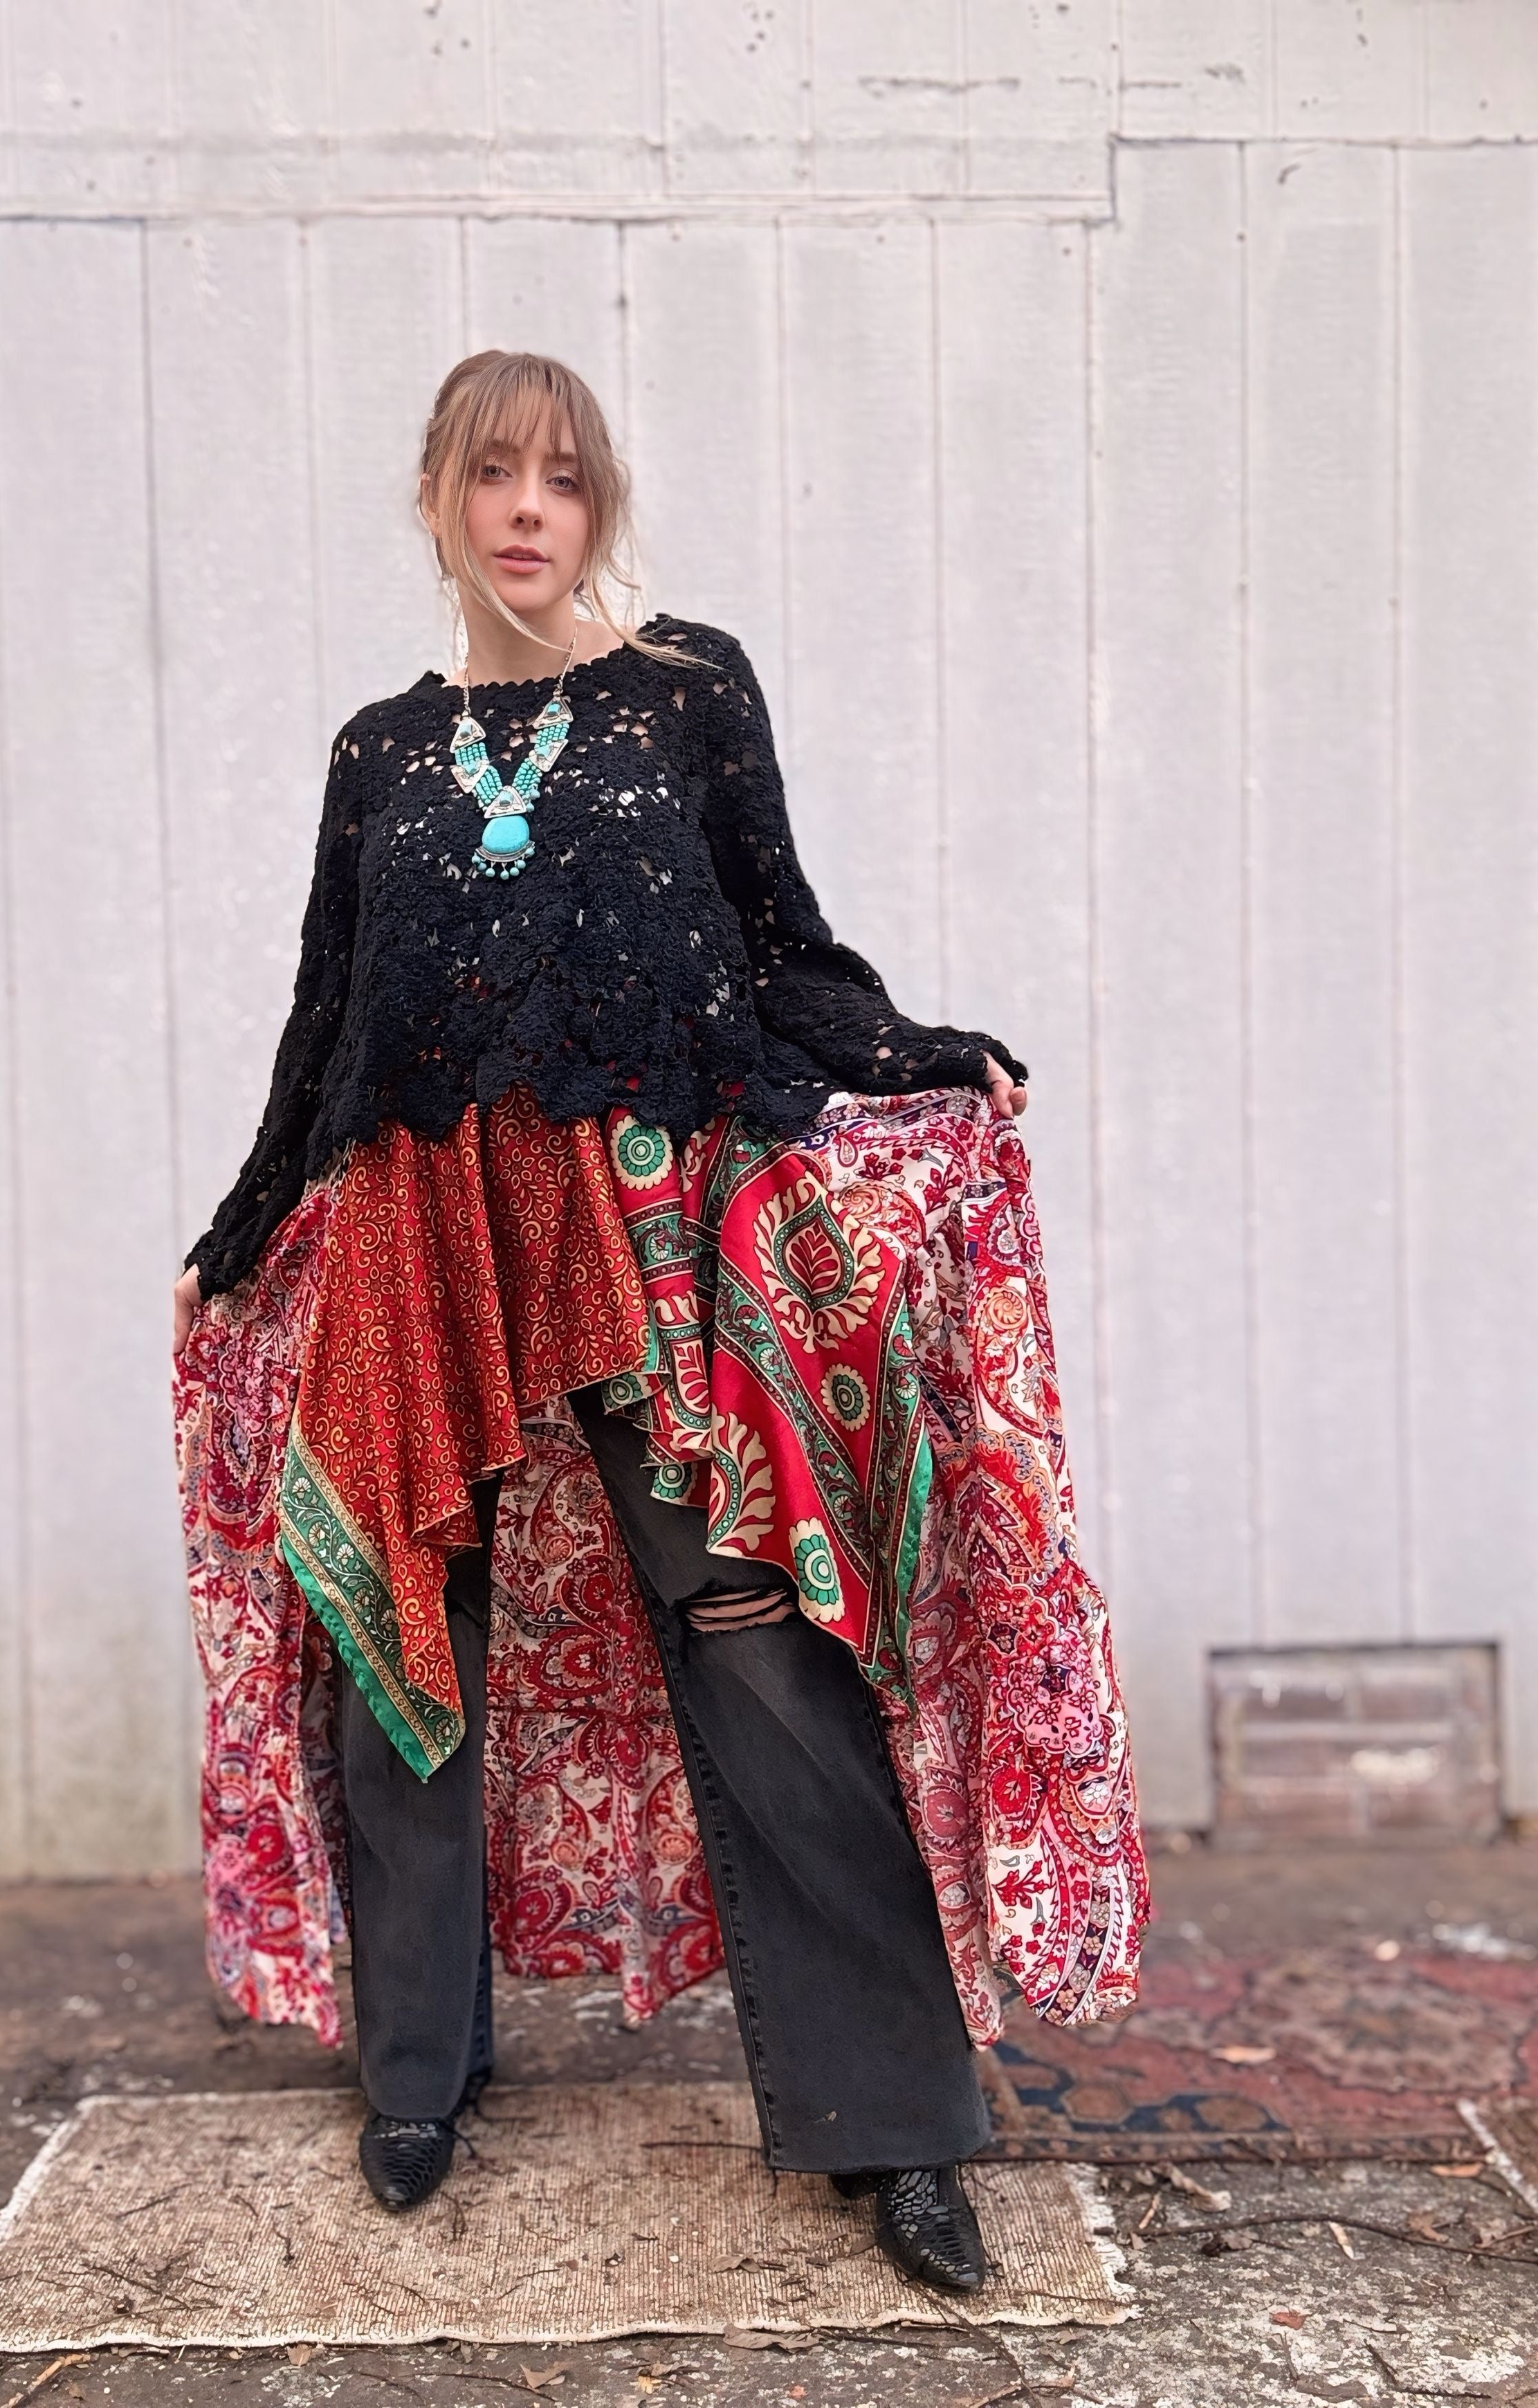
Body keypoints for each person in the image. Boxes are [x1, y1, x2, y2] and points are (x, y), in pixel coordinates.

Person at [174, 351, 1137, 2297]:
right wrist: (244, 1223)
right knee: (402, 1629)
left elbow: (782, 949)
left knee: (751, 1623)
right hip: (417, 1234)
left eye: (562, 477)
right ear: (436, 500)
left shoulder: (688, 692)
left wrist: (917, 1053)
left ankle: (894, 2125)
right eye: (492, 474)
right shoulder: (379, 751)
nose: (527, 508)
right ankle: (418, 2075)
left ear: (598, 502)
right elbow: (326, 1014)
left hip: (644, 1231)